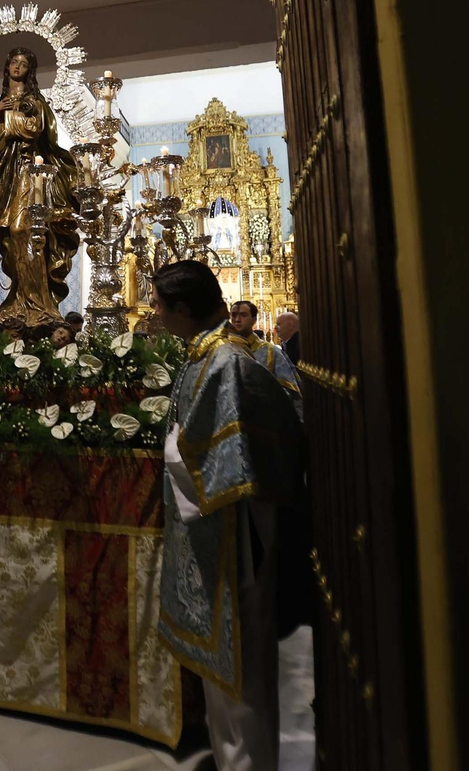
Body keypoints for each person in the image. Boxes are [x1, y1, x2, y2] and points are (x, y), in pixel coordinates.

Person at [151, 260, 305, 771]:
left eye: (160, 306)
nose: (155, 314)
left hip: (236, 532)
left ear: (182, 309)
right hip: (212, 528)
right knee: (224, 676)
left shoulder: (228, 363)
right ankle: (230, 758)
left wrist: (173, 449)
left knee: (242, 673)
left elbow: (231, 454)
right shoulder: (204, 356)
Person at [0, 47, 81, 337]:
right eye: (14, 62)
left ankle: (39, 304)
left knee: (26, 230)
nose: (17, 67)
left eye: (23, 64)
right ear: (7, 67)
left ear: (30, 71)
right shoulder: (0, 106)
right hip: (7, 178)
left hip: (29, 174)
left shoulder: (35, 101)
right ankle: (18, 300)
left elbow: (33, 130)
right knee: (9, 237)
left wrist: (7, 121)